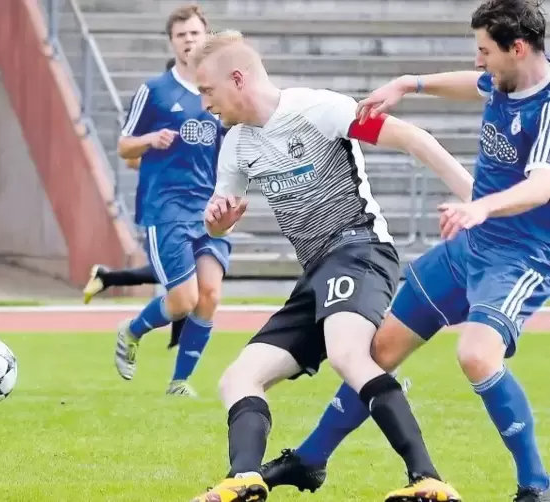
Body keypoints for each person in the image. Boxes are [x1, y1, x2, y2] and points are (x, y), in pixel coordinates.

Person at [260, 1, 550, 501]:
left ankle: (536, 486)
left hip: (518, 257)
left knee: (477, 356)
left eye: (485, 51)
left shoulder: (546, 107)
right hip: (467, 249)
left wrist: (481, 208)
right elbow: (470, 83)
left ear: (517, 48)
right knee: (376, 352)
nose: (479, 62)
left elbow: (543, 186)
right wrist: (409, 83)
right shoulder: (503, 80)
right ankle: (309, 461)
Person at [188, 29, 473, 502]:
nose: (204, 104)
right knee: (237, 378)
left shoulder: (318, 109)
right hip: (315, 273)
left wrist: (478, 202)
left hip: (360, 250)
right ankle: (244, 480)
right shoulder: (236, 145)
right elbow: (221, 216)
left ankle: (428, 478)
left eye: (207, 91)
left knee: (347, 353)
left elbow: (413, 139)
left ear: (237, 78)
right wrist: (220, 222)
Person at [113, 3, 230, 398]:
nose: (188, 41)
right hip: (166, 208)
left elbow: (228, 151)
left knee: (210, 294)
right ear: (173, 43)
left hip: (209, 207)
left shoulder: (219, 93)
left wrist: (232, 198)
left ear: (206, 39)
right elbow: (124, 147)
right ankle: (131, 331)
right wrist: (150, 140)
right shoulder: (155, 91)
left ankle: (179, 383)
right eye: (181, 36)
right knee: (183, 300)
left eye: (195, 34)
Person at [83, 57, 186, 349]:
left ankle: (176, 343)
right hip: (164, 203)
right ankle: (109, 281)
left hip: (196, 204)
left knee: (187, 272)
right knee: (178, 271)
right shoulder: (157, 108)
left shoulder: (203, 107)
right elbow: (129, 157)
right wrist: (161, 160)